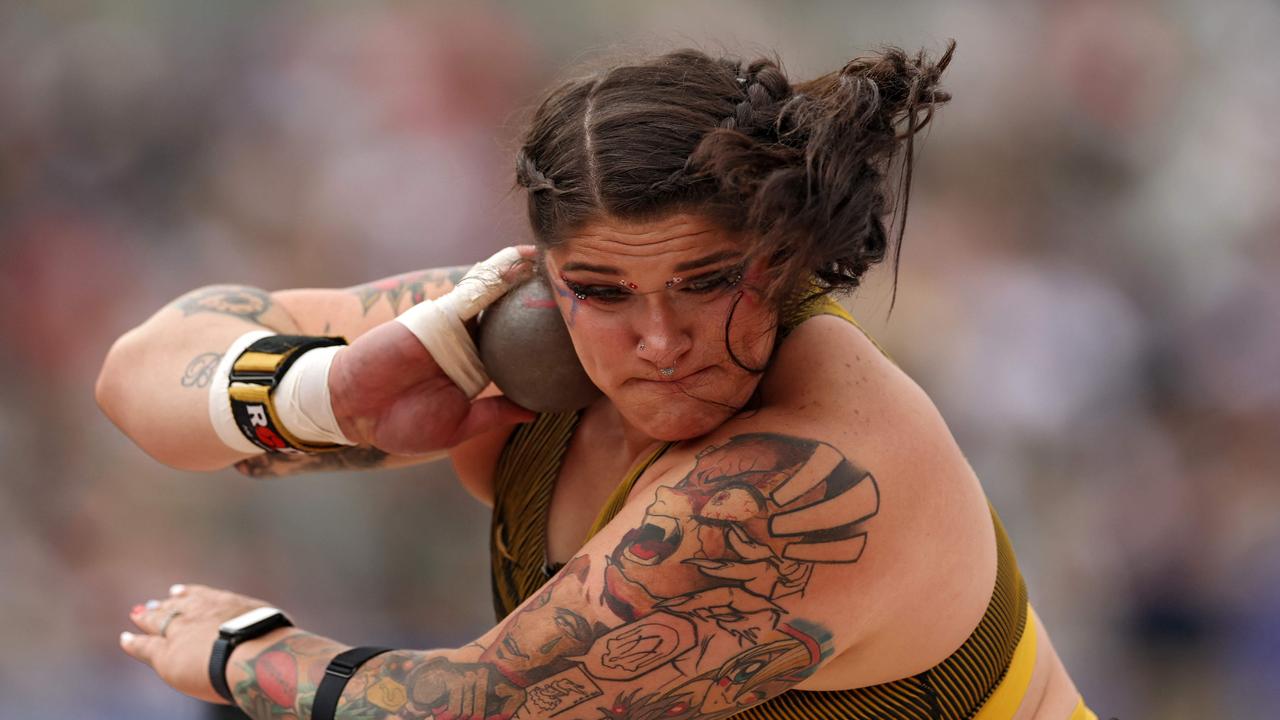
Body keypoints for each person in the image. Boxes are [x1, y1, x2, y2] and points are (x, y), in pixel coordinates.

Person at [97, 42, 1099, 720]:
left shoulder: (801, 468)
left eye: (707, 283)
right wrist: (321, 395)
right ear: (545, 269)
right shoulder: (516, 327)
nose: (658, 340)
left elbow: (473, 707)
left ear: (784, 257)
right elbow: (137, 372)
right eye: (604, 290)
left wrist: (235, 654)